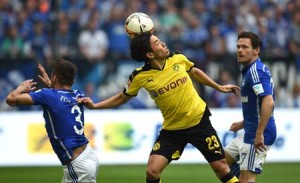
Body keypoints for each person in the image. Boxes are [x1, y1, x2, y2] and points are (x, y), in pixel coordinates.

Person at [78, 32, 240, 183]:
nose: (163, 43)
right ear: (149, 54)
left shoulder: (177, 58)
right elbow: (122, 97)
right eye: (157, 43)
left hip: (199, 123)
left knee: (221, 168)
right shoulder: (139, 76)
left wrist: (219, 87)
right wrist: (95, 106)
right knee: (152, 172)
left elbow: (195, 72)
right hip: (173, 130)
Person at [5, 59, 100, 183]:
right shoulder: (77, 94)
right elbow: (60, 96)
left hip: (78, 166)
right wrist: (52, 84)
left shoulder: (48, 95)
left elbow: (10, 99)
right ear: (73, 80)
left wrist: (21, 87)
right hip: (88, 156)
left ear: (54, 77)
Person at [224, 31, 277, 183]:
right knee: (221, 163)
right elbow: (259, 105)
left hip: (258, 134)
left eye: (245, 47)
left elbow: (268, 101)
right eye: (238, 46)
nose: (240, 50)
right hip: (250, 130)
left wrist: (259, 133)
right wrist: (242, 123)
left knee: (247, 179)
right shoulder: (250, 70)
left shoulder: (255, 72)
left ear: (256, 50)